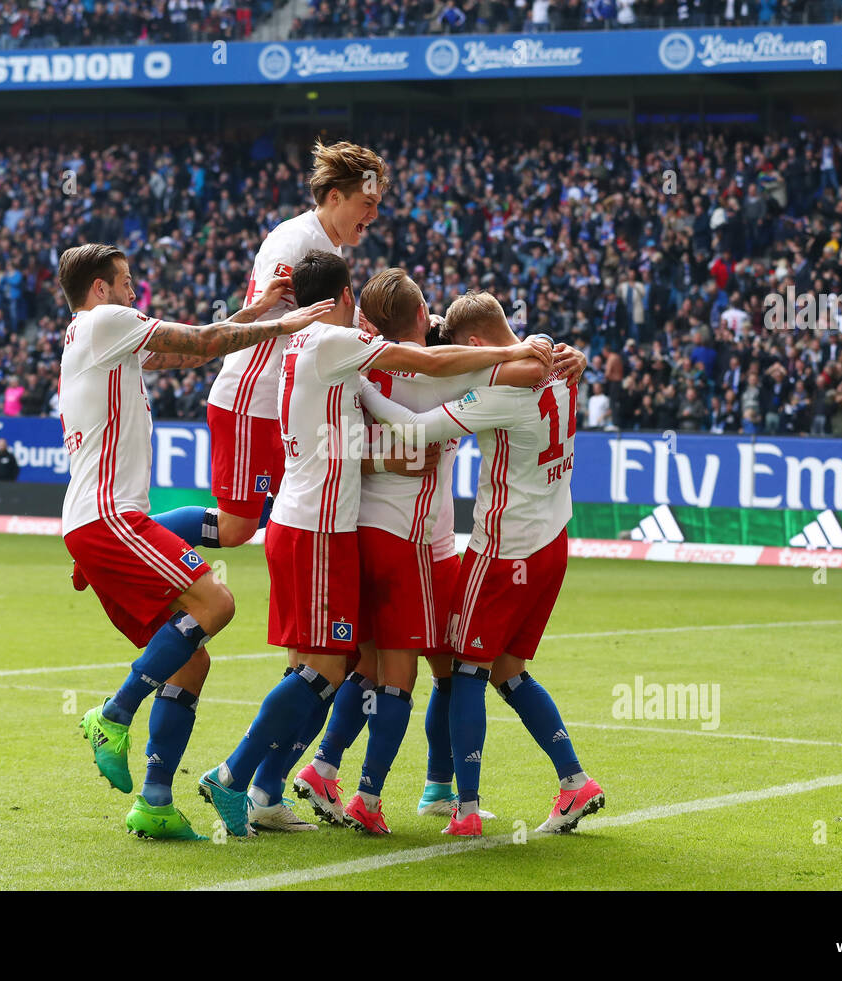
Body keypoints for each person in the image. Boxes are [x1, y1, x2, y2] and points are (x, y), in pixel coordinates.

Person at [196, 251, 552, 837]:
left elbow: (367, 408)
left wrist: (387, 448)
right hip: (339, 529)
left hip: (332, 526)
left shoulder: (316, 347)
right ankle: (244, 776)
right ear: (340, 299)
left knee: (333, 669)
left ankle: (271, 786)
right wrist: (523, 349)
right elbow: (425, 360)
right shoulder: (345, 346)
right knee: (352, 671)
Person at [291, 267, 584, 834]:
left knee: (382, 665)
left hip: (375, 529)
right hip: (416, 538)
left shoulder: (354, 362)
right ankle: (379, 793)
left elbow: (338, 439)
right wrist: (546, 349)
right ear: (420, 319)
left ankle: (355, 774)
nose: (435, 315)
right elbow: (505, 371)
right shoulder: (448, 372)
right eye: (427, 307)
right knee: (431, 671)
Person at [62, 242, 335, 842]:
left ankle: (155, 802)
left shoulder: (100, 338)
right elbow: (205, 342)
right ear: (101, 288)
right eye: (127, 281)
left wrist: (258, 308)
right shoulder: (108, 321)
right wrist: (285, 323)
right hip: (109, 517)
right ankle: (114, 714)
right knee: (217, 604)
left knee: (192, 660)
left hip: (98, 521)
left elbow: (182, 356)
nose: (135, 291)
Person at [358, 290, 606, 837]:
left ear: (475, 344)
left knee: (466, 669)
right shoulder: (561, 366)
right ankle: (574, 782)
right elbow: (553, 360)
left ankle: (464, 811)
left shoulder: (504, 387)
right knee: (509, 672)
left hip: (504, 549)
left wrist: (362, 388)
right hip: (553, 543)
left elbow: (417, 431)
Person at [204, 139, 388, 549]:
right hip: (252, 401)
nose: (374, 214)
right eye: (367, 203)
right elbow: (300, 323)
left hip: (288, 407)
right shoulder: (297, 242)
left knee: (309, 512)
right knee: (237, 529)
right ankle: (131, 538)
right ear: (336, 197)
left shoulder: (326, 244)